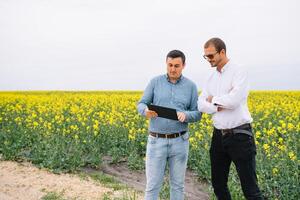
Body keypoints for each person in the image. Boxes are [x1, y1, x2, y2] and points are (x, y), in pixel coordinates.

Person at [198, 37, 263, 199]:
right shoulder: (210, 77)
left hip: (240, 135)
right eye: (205, 56)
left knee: (250, 189)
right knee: (218, 185)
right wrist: (220, 102)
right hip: (218, 136)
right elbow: (200, 104)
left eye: (211, 56)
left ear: (222, 52)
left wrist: (212, 100)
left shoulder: (239, 70)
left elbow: (234, 101)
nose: (208, 60)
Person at [137, 50, 201, 200]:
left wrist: (186, 116)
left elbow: (197, 113)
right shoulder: (155, 82)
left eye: (177, 66)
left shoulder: (191, 86)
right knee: (152, 186)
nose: (173, 69)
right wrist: (145, 110)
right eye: (170, 65)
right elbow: (141, 103)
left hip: (180, 141)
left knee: (178, 186)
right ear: (166, 64)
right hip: (156, 141)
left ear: (183, 65)